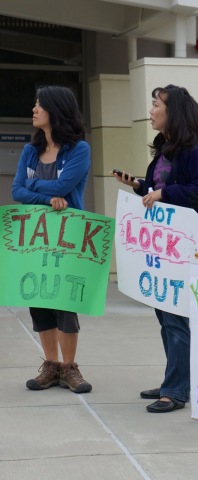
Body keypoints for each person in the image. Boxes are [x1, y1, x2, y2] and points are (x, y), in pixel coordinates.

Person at [112, 84, 198, 412]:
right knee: (166, 317)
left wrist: (163, 193)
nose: (151, 110)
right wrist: (140, 186)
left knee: (174, 319)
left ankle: (175, 391)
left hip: (185, 249)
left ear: (172, 111)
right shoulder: (165, 148)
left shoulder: (193, 150)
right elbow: (159, 188)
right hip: (165, 249)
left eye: (156, 104)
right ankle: (175, 380)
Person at [12, 85, 92, 394]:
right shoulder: (30, 150)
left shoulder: (79, 150)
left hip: (67, 238)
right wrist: (47, 199)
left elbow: (66, 183)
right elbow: (16, 191)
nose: (33, 109)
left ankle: (70, 367)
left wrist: (32, 186)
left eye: (39, 104)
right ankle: (51, 366)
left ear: (55, 110)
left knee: (64, 301)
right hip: (34, 237)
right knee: (39, 300)